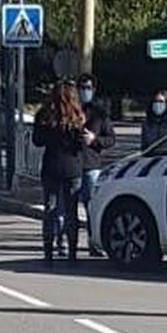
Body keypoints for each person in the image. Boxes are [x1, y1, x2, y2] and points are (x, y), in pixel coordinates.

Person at [33, 80, 88, 264]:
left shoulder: (45, 115)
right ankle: (72, 252)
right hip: (72, 167)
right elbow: (80, 145)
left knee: (50, 210)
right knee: (71, 211)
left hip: (51, 166)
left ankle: (48, 252)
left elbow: (37, 140)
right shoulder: (78, 116)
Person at [75, 73, 118, 257]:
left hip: (91, 165)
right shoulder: (70, 110)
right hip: (71, 164)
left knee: (92, 206)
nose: (85, 91)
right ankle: (65, 244)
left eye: (89, 88)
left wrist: (94, 140)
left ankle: (94, 243)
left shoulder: (100, 113)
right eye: (82, 87)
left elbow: (111, 139)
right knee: (65, 208)